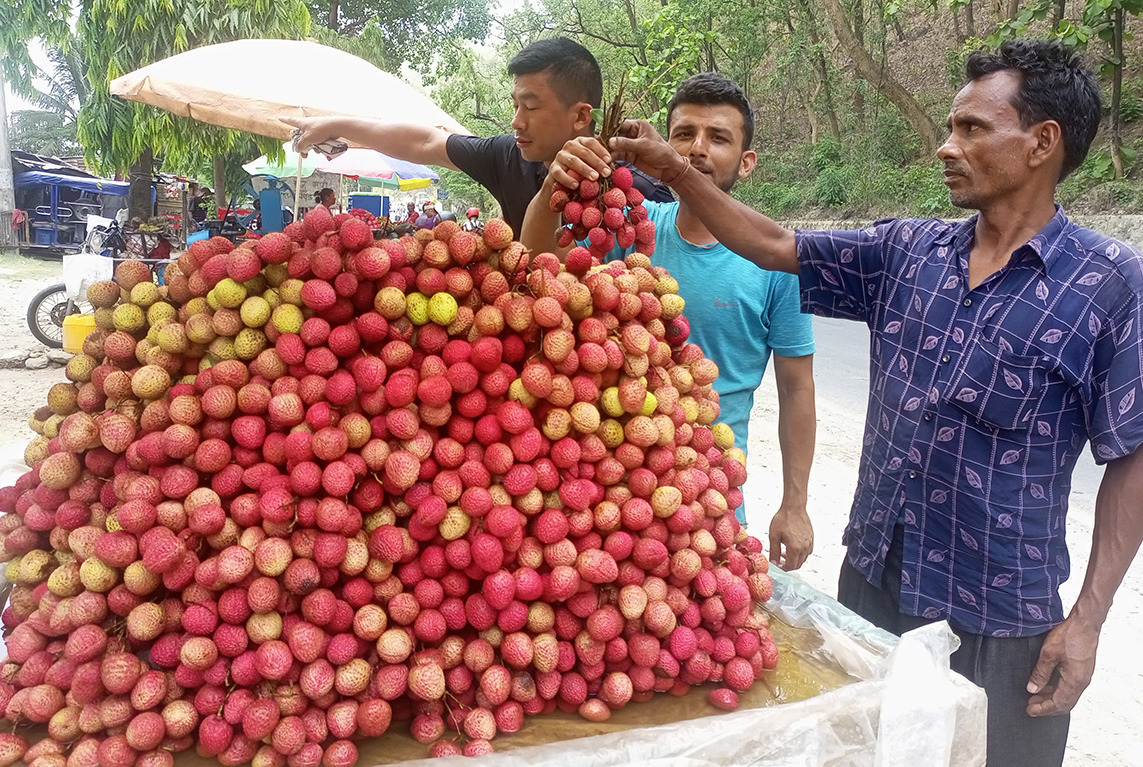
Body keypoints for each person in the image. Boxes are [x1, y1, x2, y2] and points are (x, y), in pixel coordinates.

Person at [553, 39, 1143, 767]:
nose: (944, 147)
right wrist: (672, 170)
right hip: (875, 588)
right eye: (949, 127)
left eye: (970, 129)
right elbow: (773, 242)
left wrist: (1087, 619)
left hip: (1002, 619)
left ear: (1042, 143)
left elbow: (1132, 458)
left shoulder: (1109, 283)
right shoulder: (910, 251)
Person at [523, 73, 817, 570]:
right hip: (607, 473)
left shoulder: (778, 260)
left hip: (705, 484)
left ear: (747, 163)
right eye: (683, 135)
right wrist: (556, 179)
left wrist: (796, 503)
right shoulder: (629, 229)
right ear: (660, 147)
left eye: (718, 137)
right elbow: (536, 261)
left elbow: (796, 390)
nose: (697, 149)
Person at [283, 37, 672, 234]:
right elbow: (425, 142)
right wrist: (338, 124)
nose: (517, 121)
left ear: (581, 116)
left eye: (531, 107)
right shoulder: (510, 156)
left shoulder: (638, 191)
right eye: (514, 105)